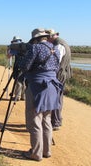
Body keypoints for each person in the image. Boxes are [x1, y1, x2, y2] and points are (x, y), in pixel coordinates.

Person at [20, 28, 63, 161]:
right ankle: (46, 151)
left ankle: (36, 153)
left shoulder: (35, 48)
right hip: (52, 86)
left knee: (35, 120)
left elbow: (25, 66)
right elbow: (56, 68)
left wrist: (21, 60)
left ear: (35, 39)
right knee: (47, 119)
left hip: (38, 87)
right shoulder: (55, 48)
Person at [46, 29, 72, 131]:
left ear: (51, 37)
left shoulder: (59, 46)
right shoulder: (61, 43)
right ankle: (56, 120)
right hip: (62, 73)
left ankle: (56, 121)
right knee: (58, 97)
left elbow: (55, 61)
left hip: (59, 74)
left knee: (55, 97)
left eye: (47, 38)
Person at [7, 36, 26, 101]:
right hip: (26, 66)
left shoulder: (16, 48)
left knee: (18, 81)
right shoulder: (24, 46)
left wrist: (8, 50)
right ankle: (23, 96)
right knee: (23, 80)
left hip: (18, 66)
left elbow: (9, 56)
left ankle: (17, 96)